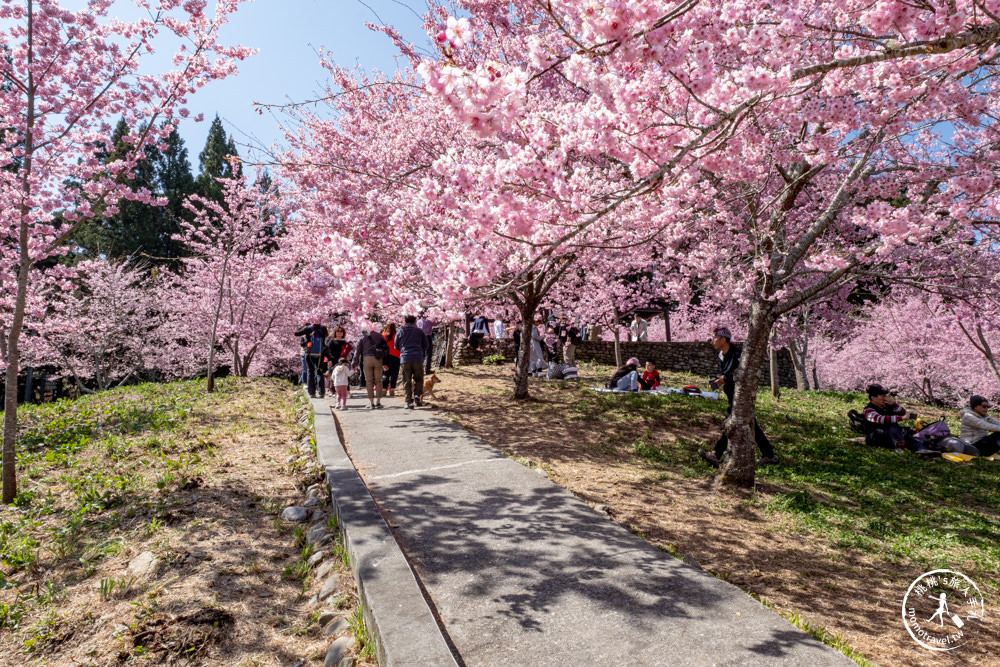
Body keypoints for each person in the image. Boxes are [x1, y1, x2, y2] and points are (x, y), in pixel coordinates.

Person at [698, 326, 778, 467]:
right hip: (731, 394)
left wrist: (725, 379)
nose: (712, 340)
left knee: (731, 421)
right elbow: (727, 373)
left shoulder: (737, 355)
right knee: (751, 424)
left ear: (723, 339)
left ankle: (716, 453)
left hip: (741, 396)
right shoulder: (722, 355)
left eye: (715, 338)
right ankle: (769, 455)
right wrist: (720, 380)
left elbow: (741, 373)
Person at [861, 384, 918, 451]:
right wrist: (902, 418)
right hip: (876, 436)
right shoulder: (868, 410)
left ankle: (919, 448)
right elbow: (881, 419)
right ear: (873, 397)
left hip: (890, 435)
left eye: (885, 395)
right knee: (892, 423)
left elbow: (904, 413)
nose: (885, 398)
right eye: (882, 395)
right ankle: (899, 445)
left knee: (906, 433)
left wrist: (894, 404)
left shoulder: (887, 406)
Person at [395, 314, 429, 409]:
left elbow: (396, 346)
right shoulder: (419, 331)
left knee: (406, 380)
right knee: (419, 378)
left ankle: (409, 402)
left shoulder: (400, 331)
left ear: (405, 322)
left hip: (405, 358)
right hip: (418, 357)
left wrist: (403, 350)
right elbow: (426, 345)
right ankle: (417, 395)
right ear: (415, 322)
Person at [352, 323, 388, 409]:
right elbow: (386, 350)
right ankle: (378, 402)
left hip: (367, 359)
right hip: (378, 359)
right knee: (378, 381)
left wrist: (354, 364)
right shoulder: (380, 336)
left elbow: (357, 352)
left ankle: (371, 403)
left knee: (369, 381)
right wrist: (385, 363)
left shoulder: (362, 337)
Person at [293, 323, 328, 398]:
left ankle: (312, 392)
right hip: (320, 354)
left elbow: (296, 333)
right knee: (319, 371)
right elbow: (326, 337)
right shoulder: (323, 328)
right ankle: (321, 392)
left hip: (309, 353)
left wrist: (303, 327)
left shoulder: (308, 328)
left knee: (310, 372)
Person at [381, 322, 401, 397]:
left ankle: (384, 389)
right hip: (396, 356)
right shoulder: (397, 335)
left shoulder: (383, 335)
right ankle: (392, 389)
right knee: (394, 373)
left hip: (386, 356)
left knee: (385, 373)